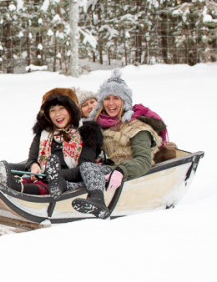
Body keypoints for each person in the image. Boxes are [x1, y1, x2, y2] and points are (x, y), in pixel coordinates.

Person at [71, 69, 168, 219]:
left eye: (116, 98)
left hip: (130, 173)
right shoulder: (102, 125)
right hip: (110, 169)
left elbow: (144, 160)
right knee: (80, 172)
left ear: (125, 101)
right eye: (107, 98)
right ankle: (38, 188)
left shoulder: (137, 128)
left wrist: (121, 171)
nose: (111, 103)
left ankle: (97, 202)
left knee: (86, 169)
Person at [0, 88, 103, 199]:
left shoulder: (87, 132)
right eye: (53, 110)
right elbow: (33, 156)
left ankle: (15, 186)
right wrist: (33, 164)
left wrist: (53, 174)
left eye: (61, 109)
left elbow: (85, 167)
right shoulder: (45, 133)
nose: (58, 114)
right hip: (43, 172)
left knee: (46, 185)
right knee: (28, 171)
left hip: (66, 178)